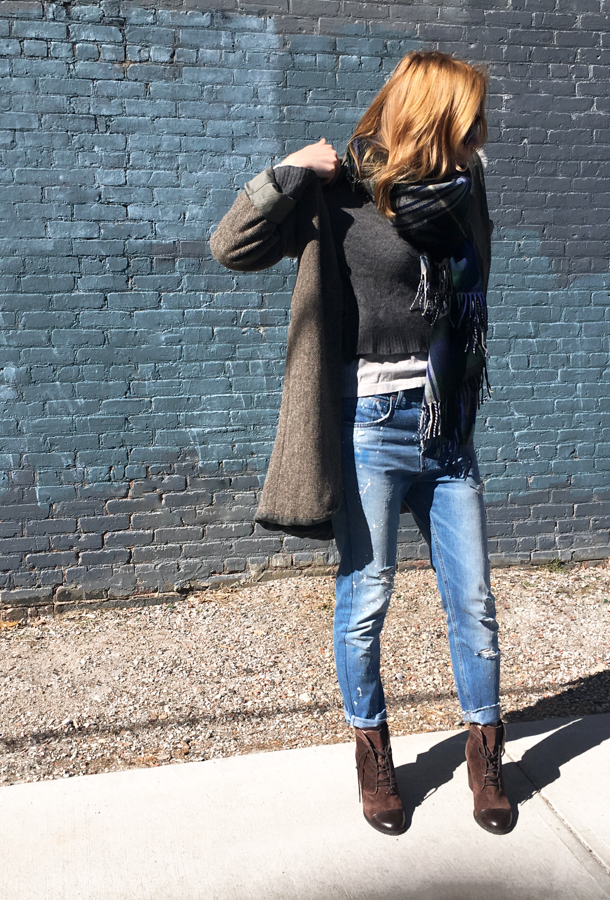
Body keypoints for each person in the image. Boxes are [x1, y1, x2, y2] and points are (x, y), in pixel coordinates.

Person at [211, 51, 510, 836]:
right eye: (471, 117)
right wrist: (283, 171)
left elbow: (470, 296)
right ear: (436, 116)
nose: (483, 131)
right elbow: (231, 247)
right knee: (367, 600)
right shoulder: (337, 191)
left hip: (446, 425)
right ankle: (374, 756)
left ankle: (486, 758)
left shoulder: (461, 187)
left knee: (473, 602)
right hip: (369, 428)